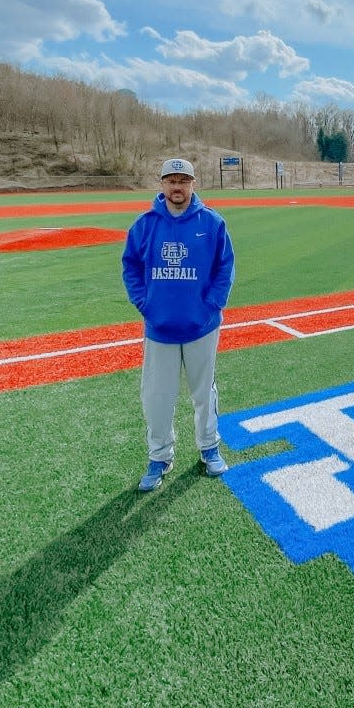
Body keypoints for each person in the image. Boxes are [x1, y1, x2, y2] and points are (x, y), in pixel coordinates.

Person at [122, 158, 236, 492]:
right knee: (157, 397)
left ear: (192, 184)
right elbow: (129, 266)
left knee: (204, 393)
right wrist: (145, 304)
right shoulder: (145, 225)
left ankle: (209, 448)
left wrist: (211, 306)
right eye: (171, 180)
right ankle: (159, 457)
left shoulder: (212, 223)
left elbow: (225, 268)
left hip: (202, 326)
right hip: (160, 329)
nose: (177, 187)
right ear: (162, 185)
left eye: (183, 180)